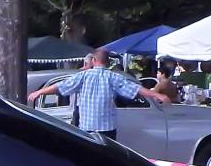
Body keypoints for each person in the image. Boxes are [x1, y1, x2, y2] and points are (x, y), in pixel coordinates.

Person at [28, 47, 169, 140]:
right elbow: (135, 89)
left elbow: (61, 86)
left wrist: (40, 92)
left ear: (94, 60)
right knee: (107, 160)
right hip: (107, 128)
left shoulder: (83, 76)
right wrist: (157, 95)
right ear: (107, 62)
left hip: (87, 127)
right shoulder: (113, 77)